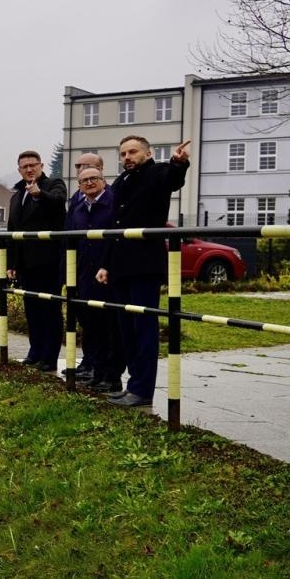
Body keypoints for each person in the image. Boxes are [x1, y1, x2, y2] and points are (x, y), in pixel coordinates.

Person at [95, 136, 191, 407]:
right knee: (126, 330)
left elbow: (174, 179)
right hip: (120, 265)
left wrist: (179, 163)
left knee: (143, 328)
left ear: (147, 153)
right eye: (123, 153)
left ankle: (143, 390)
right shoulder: (121, 182)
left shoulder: (159, 172)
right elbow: (114, 224)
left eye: (133, 151)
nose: (127, 156)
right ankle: (132, 385)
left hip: (144, 265)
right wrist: (105, 263)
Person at [6, 149, 67, 371]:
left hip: (48, 261)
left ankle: (49, 358)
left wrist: (38, 194)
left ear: (41, 166)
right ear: (20, 170)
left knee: (50, 310)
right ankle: (35, 352)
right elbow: (13, 230)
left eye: (33, 165)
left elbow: (59, 203)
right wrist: (12, 263)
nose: (30, 169)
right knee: (32, 310)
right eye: (25, 166)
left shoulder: (54, 185)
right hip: (26, 263)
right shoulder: (16, 195)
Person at [65, 165, 120, 392]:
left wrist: (108, 265)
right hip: (84, 274)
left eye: (94, 178)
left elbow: (115, 237)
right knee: (90, 326)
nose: (89, 183)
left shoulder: (113, 204)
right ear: (79, 186)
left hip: (107, 273)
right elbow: (70, 242)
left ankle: (111, 375)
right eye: (84, 180)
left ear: (103, 180)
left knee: (109, 326)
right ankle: (95, 372)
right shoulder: (77, 209)